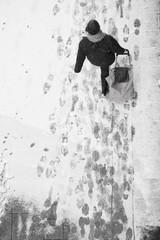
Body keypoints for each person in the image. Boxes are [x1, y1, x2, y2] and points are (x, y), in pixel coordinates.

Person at [74, 19, 129, 96]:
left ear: (87, 31)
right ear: (99, 29)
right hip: (108, 60)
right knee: (104, 67)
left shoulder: (83, 43)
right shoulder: (108, 39)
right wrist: (123, 51)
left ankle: (105, 91)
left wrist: (77, 68)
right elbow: (117, 49)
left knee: (103, 69)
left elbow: (80, 57)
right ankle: (108, 87)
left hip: (94, 60)